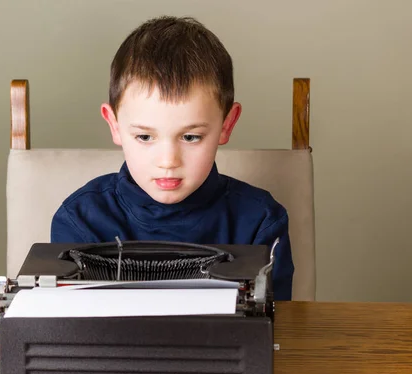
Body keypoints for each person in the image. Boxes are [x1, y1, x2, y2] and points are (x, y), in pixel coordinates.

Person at [50, 16, 294, 300]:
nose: (168, 161)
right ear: (114, 125)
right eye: (145, 137)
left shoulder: (261, 222)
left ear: (226, 125)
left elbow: (278, 329)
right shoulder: (79, 220)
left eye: (190, 137)